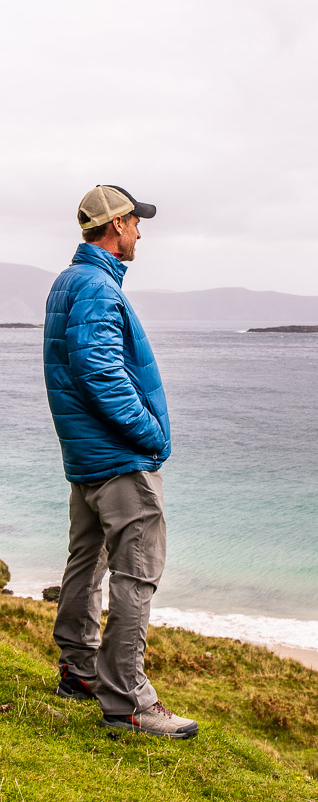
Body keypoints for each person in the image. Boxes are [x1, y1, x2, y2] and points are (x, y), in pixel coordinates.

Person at [43, 184, 198, 739]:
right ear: (115, 227)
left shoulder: (69, 282)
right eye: (135, 223)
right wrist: (150, 435)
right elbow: (99, 372)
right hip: (116, 458)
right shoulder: (98, 288)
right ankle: (127, 699)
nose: (140, 232)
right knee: (137, 572)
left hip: (84, 455)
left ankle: (79, 668)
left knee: (86, 559)